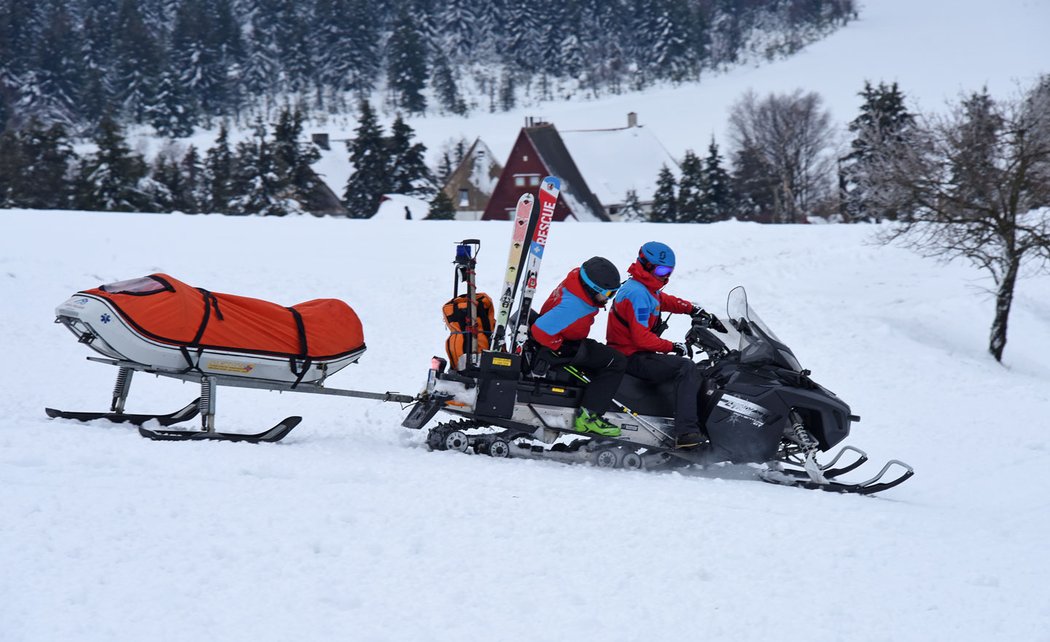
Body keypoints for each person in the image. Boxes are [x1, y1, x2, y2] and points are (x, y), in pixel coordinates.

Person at [606, 241, 726, 448]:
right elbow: (641, 338)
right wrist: (674, 347)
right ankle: (686, 432)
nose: (665, 275)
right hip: (630, 355)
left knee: (694, 368)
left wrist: (693, 309)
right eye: (661, 269)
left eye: (669, 270)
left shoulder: (644, 288)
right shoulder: (637, 294)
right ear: (646, 265)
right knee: (686, 367)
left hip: (635, 351)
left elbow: (662, 300)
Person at [530, 256, 626, 437]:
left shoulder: (577, 278)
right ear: (592, 288)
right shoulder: (575, 305)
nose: (609, 299)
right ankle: (589, 418)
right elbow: (540, 331)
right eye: (607, 294)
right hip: (562, 344)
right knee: (616, 361)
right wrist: (560, 347)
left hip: (565, 337)